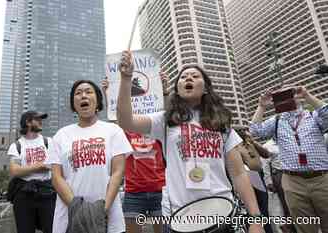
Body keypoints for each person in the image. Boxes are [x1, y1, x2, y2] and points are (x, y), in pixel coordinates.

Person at [117, 51, 264, 233]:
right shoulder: (165, 120)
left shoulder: (220, 122)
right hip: (179, 218)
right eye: (183, 77)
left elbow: (239, 173)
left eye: (195, 76)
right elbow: (126, 121)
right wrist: (126, 79)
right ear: (177, 89)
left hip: (222, 214)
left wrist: (256, 219)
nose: (189, 78)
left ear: (206, 89)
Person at [49, 80, 132, 233]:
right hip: (68, 220)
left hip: (109, 220)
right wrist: (79, 210)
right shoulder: (60, 136)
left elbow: (117, 172)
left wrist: (101, 211)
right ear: (73, 103)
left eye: (89, 91)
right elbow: (56, 177)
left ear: (98, 101)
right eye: (78, 93)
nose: (83, 96)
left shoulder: (113, 131)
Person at [250, 86, 328, 233]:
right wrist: (261, 106)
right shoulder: (277, 121)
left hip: (322, 179)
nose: (288, 98)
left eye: (290, 94)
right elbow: (255, 130)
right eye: (282, 96)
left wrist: (307, 95)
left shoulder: (313, 116)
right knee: (305, 226)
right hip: (293, 181)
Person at [101, 77, 166, 233]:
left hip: (161, 191)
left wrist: (163, 90)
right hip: (134, 193)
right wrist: (107, 94)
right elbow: (114, 116)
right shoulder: (124, 131)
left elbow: (167, 112)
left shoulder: (157, 126)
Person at [8, 111, 56, 233]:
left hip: (47, 193)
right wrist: (39, 166)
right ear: (28, 122)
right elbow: (14, 170)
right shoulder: (17, 145)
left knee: (53, 229)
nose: (41, 122)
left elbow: (55, 164)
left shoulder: (49, 142)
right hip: (24, 195)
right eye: (37, 119)